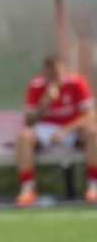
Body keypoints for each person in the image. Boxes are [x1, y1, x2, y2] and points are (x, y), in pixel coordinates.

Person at [15, 55, 97, 207]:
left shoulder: (77, 82)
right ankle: (27, 189)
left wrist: (65, 130)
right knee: (24, 137)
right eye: (49, 75)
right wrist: (44, 103)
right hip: (46, 128)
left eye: (56, 74)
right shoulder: (36, 85)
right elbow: (29, 121)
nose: (53, 79)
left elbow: (90, 116)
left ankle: (94, 185)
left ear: (65, 71)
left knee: (94, 132)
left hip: (72, 127)